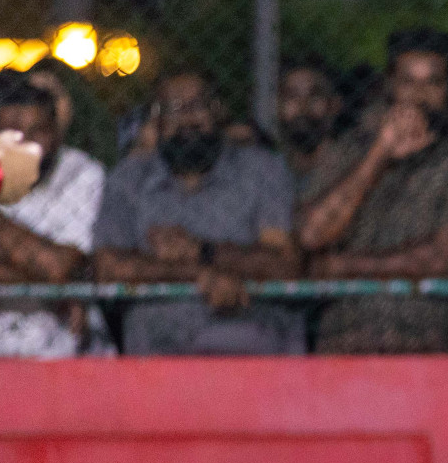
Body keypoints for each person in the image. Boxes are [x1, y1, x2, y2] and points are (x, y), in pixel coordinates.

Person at [298, 27, 448, 354]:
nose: (419, 95)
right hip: (345, 342)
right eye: (408, 82)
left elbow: (441, 259)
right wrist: (379, 155)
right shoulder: (350, 149)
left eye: (433, 82)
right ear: (389, 86)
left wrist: (344, 267)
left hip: (426, 344)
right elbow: (311, 234)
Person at [93, 69, 304, 355]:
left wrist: (203, 250)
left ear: (220, 112)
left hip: (252, 348)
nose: (187, 119)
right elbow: (109, 269)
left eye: (199, 105)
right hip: (157, 355)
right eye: (173, 108)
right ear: (156, 121)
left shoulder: (263, 170)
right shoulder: (129, 180)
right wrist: (201, 275)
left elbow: (283, 263)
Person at [0, 79, 113, 356]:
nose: (26, 144)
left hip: (65, 350)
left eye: (39, 131)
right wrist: (51, 277)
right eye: (12, 133)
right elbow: (55, 271)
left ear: (58, 134)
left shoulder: (83, 174)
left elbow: (64, 267)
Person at [278, 58, 344, 191]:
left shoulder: (350, 166)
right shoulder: (266, 166)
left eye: (314, 96)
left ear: (334, 105)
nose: (303, 106)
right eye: (292, 96)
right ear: (277, 106)